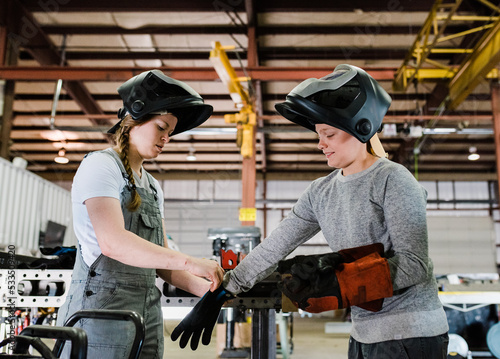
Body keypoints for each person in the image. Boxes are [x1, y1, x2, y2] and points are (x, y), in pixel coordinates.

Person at [171, 64, 449, 358]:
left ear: (362, 128)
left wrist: (339, 282)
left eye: (328, 133)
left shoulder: (393, 179)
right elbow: (274, 247)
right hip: (363, 335)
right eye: (319, 134)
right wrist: (223, 291)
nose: (320, 144)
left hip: (413, 335)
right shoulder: (320, 192)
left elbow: (414, 264)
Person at [57, 69, 224, 359]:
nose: (166, 138)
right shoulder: (100, 166)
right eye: (162, 127)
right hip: (100, 313)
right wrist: (191, 261)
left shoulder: (152, 186)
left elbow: (163, 264)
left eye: (170, 132)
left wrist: (212, 293)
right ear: (134, 119)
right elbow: (113, 243)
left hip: (146, 312)